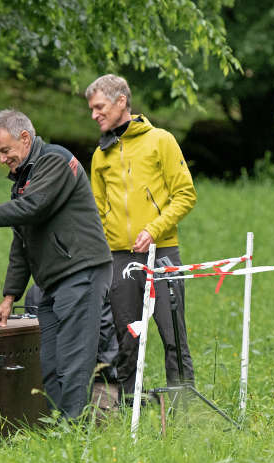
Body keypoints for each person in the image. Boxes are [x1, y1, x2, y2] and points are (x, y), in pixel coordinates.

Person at [0, 110, 112, 419]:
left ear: (25, 138)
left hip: (81, 271)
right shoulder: (23, 181)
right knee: (49, 363)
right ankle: (59, 427)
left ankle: (74, 434)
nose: (2, 159)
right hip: (51, 282)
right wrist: (10, 297)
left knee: (72, 362)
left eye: (5, 151)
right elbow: (21, 244)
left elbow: (32, 208)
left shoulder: (55, 160)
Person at [85, 74, 197, 398]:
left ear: (121, 101)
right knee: (127, 340)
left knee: (173, 334)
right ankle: (128, 415)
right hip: (120, 257)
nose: (94, 115)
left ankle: (182, 413)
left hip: (162, 252)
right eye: (91, 109)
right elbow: (96, 210)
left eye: (99, 107)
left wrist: (153, 229)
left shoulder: (160, 140)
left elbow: (185, 195)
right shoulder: (100, 155)